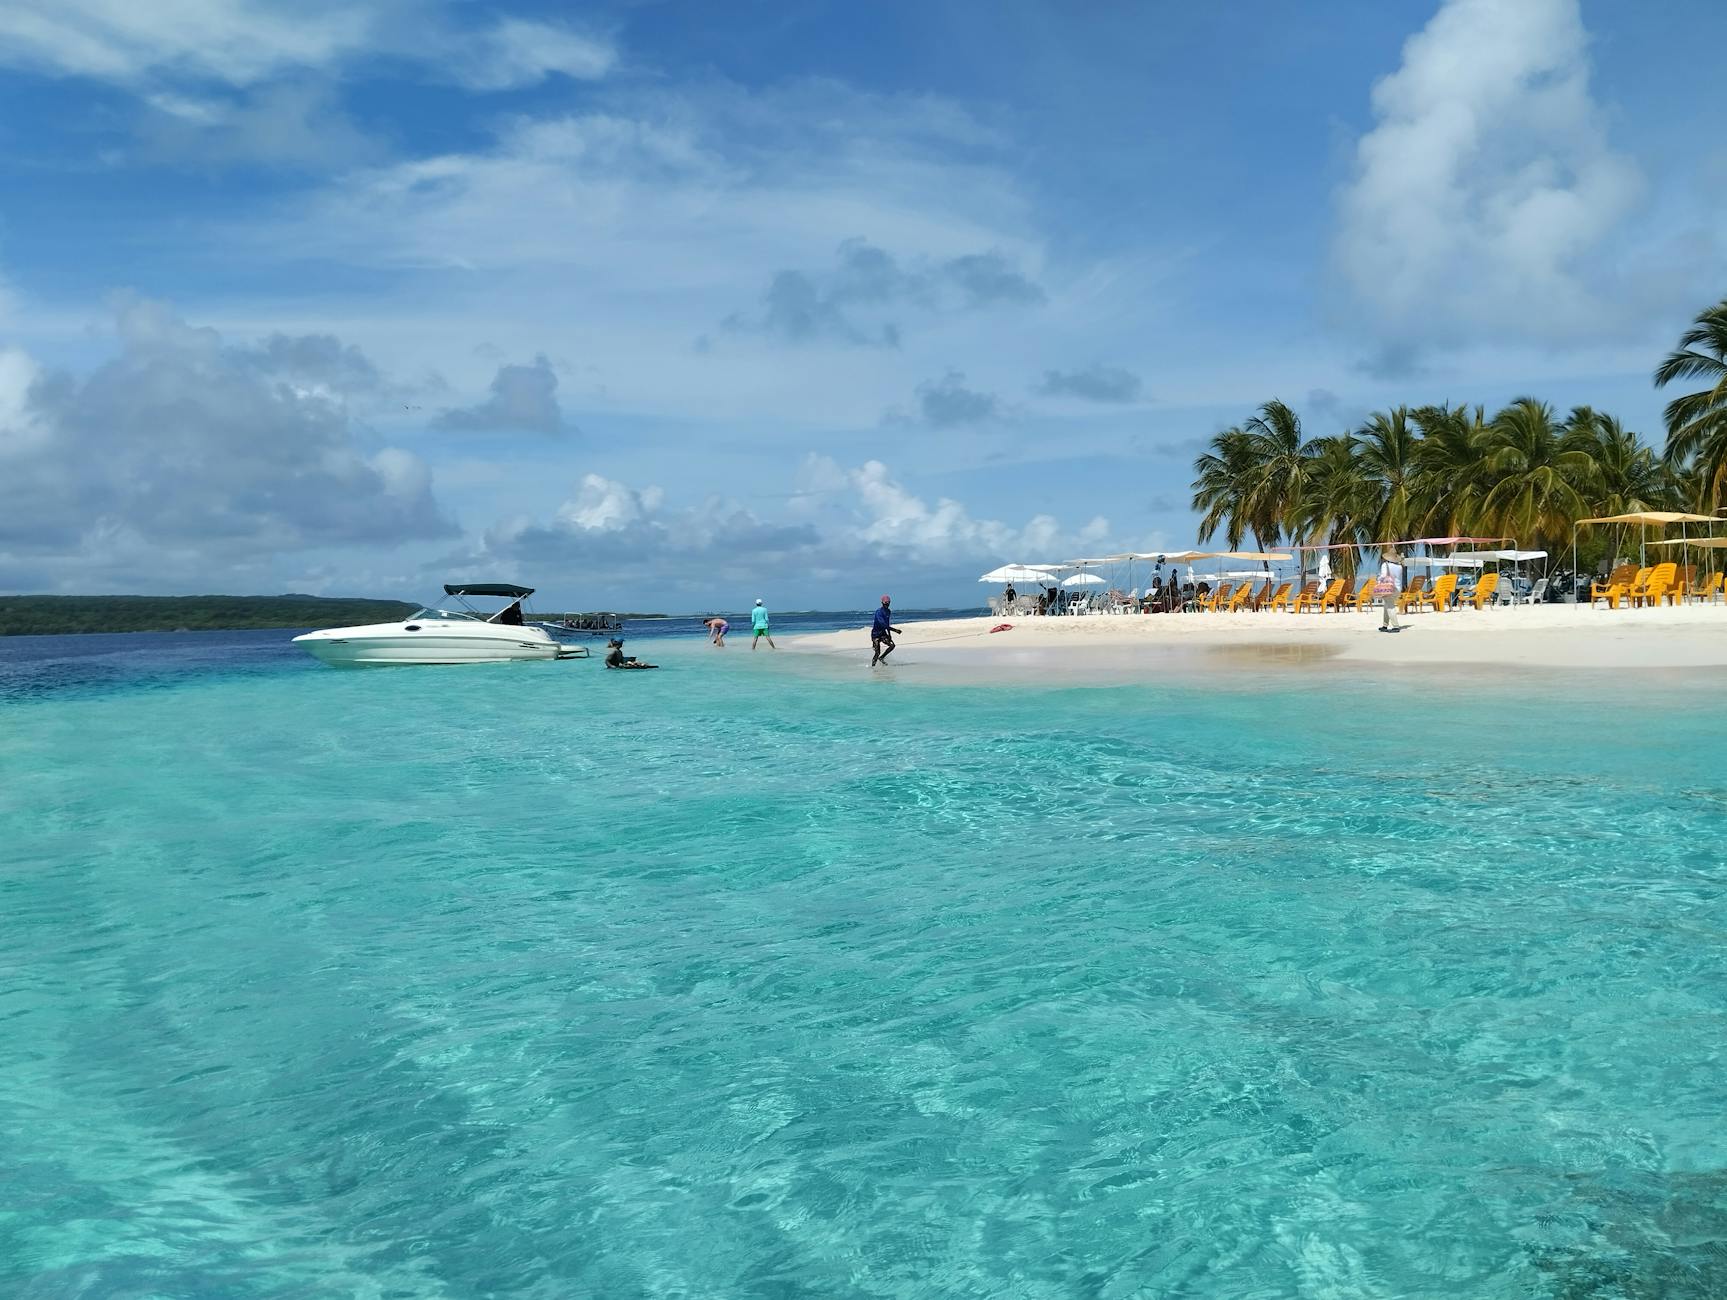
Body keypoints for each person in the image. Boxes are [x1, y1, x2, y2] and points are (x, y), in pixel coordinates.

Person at [1376, 549, 1405, 632]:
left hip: (1389, 588)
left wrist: (1378, 578)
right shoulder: (1400, 567)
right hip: (1398, 589)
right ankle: (1385, 625)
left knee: (1390, 607)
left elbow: (1383, 576)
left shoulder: (1385, 565)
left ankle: (1396, 626)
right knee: (1387, 606)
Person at [870, 594, 903, 666]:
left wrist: (889, 635)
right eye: (885, 602)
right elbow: (884, 625)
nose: (887, 604)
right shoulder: (878, 612)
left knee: (892, 645)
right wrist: (895, 630)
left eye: (888, 602)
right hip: (875, 634)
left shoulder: (888, 611)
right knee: (877, 652)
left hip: (883, 633)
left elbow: (887, 623)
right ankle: (873, 668)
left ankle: (881, 658)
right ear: (882, 603)